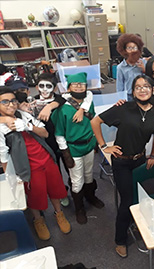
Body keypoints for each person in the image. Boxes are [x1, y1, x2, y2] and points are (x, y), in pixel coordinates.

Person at [91, 75, 154, 257]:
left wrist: (153, 154)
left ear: (153, 90)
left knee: (139, 196)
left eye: (146, 86)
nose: (142, 89)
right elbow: (95, 122)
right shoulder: (123, 108)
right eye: (138, 87)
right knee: (127, 200)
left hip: (140, 160)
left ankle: (134, 222)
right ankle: (120, 239)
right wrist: (104, 146)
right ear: (133, 91)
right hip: (121, 161)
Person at [0, 88, 71, 240]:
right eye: (4, 102)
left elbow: (45, 134)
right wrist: (11, 177)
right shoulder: (1, 127)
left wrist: (28, 126)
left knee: (55, 189)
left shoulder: (24, 115)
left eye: (13, 101)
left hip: (46, 158)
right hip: (28, 167)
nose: (10, 105)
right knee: (35, 195)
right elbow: (3, 156)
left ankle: (59, 213)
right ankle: (38, 220)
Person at [52, 73, 103, 224]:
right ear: (68, 88)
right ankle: (79, 208)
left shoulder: (88, 102)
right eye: (75, 84)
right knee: (77, 180)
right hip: (73, 148)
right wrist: (65, 152)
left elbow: (93, 121)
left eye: (82, 84)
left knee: (88, 174)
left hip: (88, 145)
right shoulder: (63, 109)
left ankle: (91, 197)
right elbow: (59, 133)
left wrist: (95, 141)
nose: (79, 86)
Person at [115, 34, 147, 100]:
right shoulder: (121, 67)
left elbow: (151, 79)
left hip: (144, 93)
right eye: (129, 48)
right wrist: (121, 99)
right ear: (124, 50)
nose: (132, 50)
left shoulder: (143, 63)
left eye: (135, 48)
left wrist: (144, 70)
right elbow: (119, 86)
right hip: (129, 95)